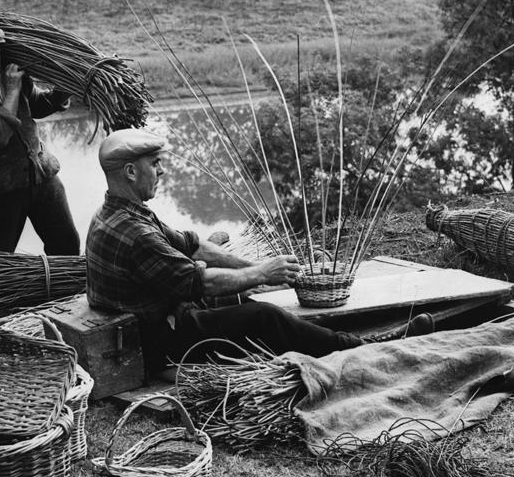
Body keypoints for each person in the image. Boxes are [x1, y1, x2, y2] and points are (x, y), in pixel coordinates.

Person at [85, 129, 364, 375]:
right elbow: (199, 283)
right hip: (160, 343)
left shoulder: (118, 210)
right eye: (155, 164)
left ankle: (330, 338)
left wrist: (257, 267)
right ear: (131, 172)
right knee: (264, 317)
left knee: (243, 295)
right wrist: (262, 273)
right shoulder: (137, 234)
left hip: (166, 316)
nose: (161, 171)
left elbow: (192, 245)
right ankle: (357, 349)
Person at [0, 22, 80, 255]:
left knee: (67, 245)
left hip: (40, 173)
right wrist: (13, 90)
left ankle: (65, 290)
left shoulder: (12, 73)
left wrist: (62, 91)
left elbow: (37, 106)